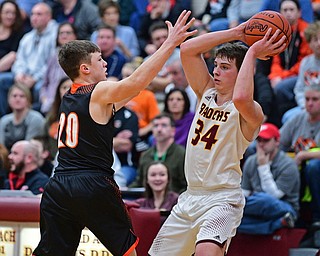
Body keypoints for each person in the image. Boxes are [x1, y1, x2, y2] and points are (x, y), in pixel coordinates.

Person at [32, 10, 196, 256]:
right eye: (100, 60)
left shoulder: (69, 96)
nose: (106, 63)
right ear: (85, 68)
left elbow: (136, 87)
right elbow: (135, 82)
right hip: (92, 183)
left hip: (58, 186)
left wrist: (146, 74)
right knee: (127, 251)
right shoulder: (98, 91)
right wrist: (169, 44)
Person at [148, 18, 287, 256]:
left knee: (206, 253)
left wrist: (252, 51)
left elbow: (242, 97)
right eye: (216, 65)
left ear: (242, 71)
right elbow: (188, 49)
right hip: (190, 197)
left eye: (225, 67)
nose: (216, 71)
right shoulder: (206, 92)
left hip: (222, 199)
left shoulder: (251, 111)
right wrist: (238, 32)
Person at [238, 123, 300, 234]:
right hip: (257, 208)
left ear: (277, 141)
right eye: (259, 140)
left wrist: (263, 167)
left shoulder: (288, 165)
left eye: (266, 140)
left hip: (283, 207)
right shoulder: (251, 161)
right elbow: (244, 193)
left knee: (264, 200)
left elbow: (274, 196)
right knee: (230, 221)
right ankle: (278, 223)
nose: (261, 144)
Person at [280, 83, 320, 226]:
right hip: (295, 169)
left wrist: (303, 155)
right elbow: (278, 141)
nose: (309, 103)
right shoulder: (298, 118)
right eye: (307, 99)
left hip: (314, 171)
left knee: (313, 167)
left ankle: (317, 218)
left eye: (315, 99)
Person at [268, 0, 312, 119]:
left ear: (299, 12)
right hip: (283, 75)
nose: (288, 13)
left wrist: (282, 77)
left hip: (301, 75)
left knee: (281, 88)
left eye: (291, 10)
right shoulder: (278, 32)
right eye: (285, 10)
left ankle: (282, 122)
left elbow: (304, 62)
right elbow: (275, 60)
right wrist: (275, 76)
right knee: (265, 84)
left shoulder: (306, 31)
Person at [12, 2, 58, 111]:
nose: (34, 18)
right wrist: (19, 74)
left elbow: (52, 64)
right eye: (32, 14)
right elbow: (19, 60)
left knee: (39, 88)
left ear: (49, 16)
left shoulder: (55, 35)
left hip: (43, 78)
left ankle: (37, 119)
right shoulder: (27, 37)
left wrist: (35, 78)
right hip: (25, 76)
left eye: (39, 14)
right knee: (3, 80)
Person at [130, 113, 187, 194]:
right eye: (156, 126)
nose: (159, 129)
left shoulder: (182, 154)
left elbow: (186, 186)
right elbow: (139, 183)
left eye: (164, 125)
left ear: (173, 131)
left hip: (175, 202)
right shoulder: (145, 155)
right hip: (148, 202)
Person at [39, 21, 77, 115]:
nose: (64, 35)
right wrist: (44, 99)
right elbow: (45, 83)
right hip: (50, 102)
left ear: (75, 36)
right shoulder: (53, 57)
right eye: (61, 33)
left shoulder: (80, 58)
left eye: (68, 33)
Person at [0, 83, 45, 151]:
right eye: (14, 96)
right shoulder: (4, 120)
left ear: (28, 100)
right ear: (8, 99)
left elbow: (30, 147)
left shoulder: (36, 118)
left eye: (22, 96)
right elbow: (1, 146)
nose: (17, 99)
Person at [0, 0, 25, 117]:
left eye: (13, 13)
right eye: (7, 12)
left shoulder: (18, 33)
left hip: (10, 72)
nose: (10, 16)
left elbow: (13, 56)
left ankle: (2, 116)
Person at [113, 106, 139, 186]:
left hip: (125, 165)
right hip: (100, 165)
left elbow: (126, 145)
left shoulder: (129, 115)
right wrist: (115, 140)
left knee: (116, 183)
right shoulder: (98, 113)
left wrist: (101, 140)